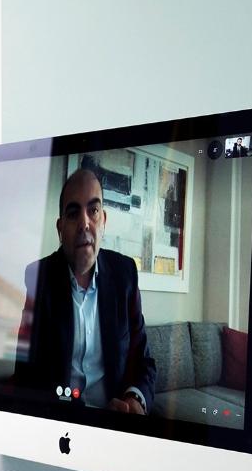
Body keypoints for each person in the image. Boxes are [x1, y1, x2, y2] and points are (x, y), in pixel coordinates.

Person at [13, 167, 157, 414]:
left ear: (104, 221)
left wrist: (135, 399)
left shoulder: (125, 275)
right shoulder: (39, 278)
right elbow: (26, 371)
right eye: (73, 213)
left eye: (93, 210)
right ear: (60, 229)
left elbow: (144, 362)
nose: (84, 223)